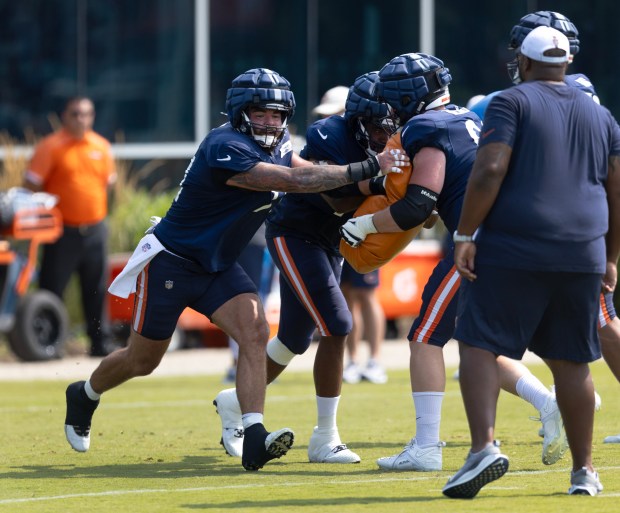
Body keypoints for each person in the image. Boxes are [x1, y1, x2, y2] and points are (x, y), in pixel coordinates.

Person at [62, 68, 406, 472]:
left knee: (255, 332)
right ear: (241, 112)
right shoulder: (225, 145)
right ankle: (85, 392)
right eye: (261, 113)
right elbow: (294, 180)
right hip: (172, 262)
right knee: (142, 360)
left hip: (218, 267)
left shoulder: (278, 145)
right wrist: (369, 167)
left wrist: (391, 188)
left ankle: (254, 433)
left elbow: (311, 177)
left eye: (277, 115)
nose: (270, 123)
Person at [341, 52, 568, 473]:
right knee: (476, 341)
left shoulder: (426, 126)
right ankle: (551, 403)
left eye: (393, 98)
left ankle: (427, 447)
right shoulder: (464, 116)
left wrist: (365, 226)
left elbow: (417, 204)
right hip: (517, 236)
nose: (390, 108)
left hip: (481, 240)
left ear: (408, 96)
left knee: (425, 337)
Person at [444, 26, 620, 498]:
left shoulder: (510, 101)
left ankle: (483, 447)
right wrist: (611, 256)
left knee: (477, 341)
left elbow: (491, 167)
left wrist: (464, 233)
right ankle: (584, 472)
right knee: (573, 361)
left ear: (523, 61)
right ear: (565, 63)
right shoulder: (601, 114)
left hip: (517, 245)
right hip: (583, 249)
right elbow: (616, 189)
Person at [212, 71, 400, 463]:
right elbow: (335, 199)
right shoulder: (328, 134)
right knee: (338, 325)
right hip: (296, 234)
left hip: (331, 241)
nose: (386, 134)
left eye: (392, 124)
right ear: (360, 119)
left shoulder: (396, 138)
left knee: (295, 339)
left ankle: (234, 401)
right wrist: (383, 186)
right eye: (379, 125)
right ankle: (325, 437)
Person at [23, 96, 116, 358]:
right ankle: (49, 343)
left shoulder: (101, 146)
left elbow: (109, 186)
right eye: (76, 114)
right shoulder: (50, 146)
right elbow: (31, 184)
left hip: (95, 230)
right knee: (53, 289)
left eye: (87, 114)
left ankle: (100, 343)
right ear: (65, 116)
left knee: (97, 291)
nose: (81, 119)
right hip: (62, 232)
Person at [313, 84, 389, 385]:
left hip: (367, 225)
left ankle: (375, 360)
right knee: (345, 299)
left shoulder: (378, 139)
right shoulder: (333, 137)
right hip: (337, 229)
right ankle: (353, 360)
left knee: (367, 295)